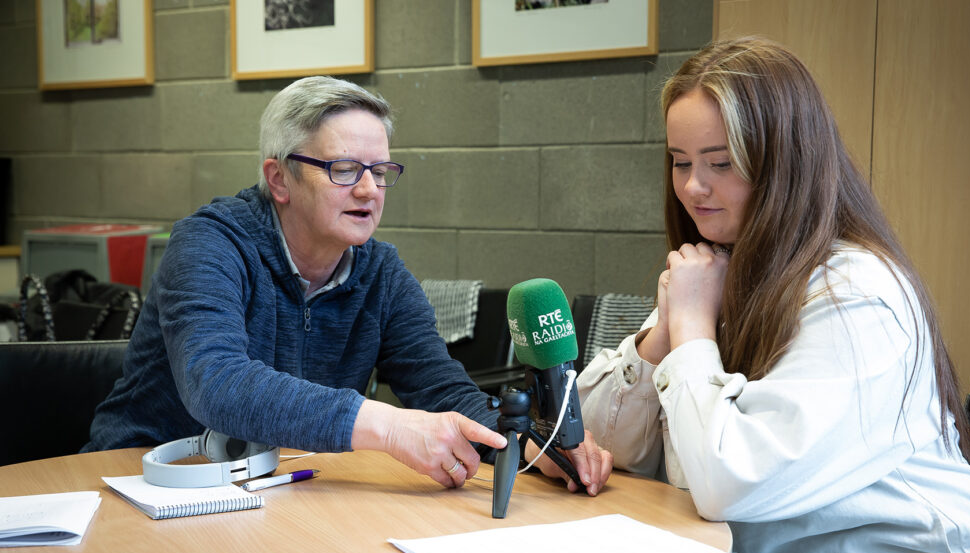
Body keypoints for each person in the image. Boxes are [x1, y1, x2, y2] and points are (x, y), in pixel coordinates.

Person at [578, 37, 970, 553]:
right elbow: (601, 442)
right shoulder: (720, 266)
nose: (692, 187)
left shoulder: (858, 297)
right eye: (681, 161)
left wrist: (694, 329)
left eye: (720, 163)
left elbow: (733, 483)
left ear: (782, 162)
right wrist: (664, 337)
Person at [85, 76, 612, 496]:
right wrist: (387, 427)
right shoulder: (210, 243)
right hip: (139, 481)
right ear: (278, 179)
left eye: (380, 171)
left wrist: (528, 447)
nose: (368, 189)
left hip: (271, 491)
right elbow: (216, 383)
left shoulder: (379, 271)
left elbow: (441, 391)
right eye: (343, 169)